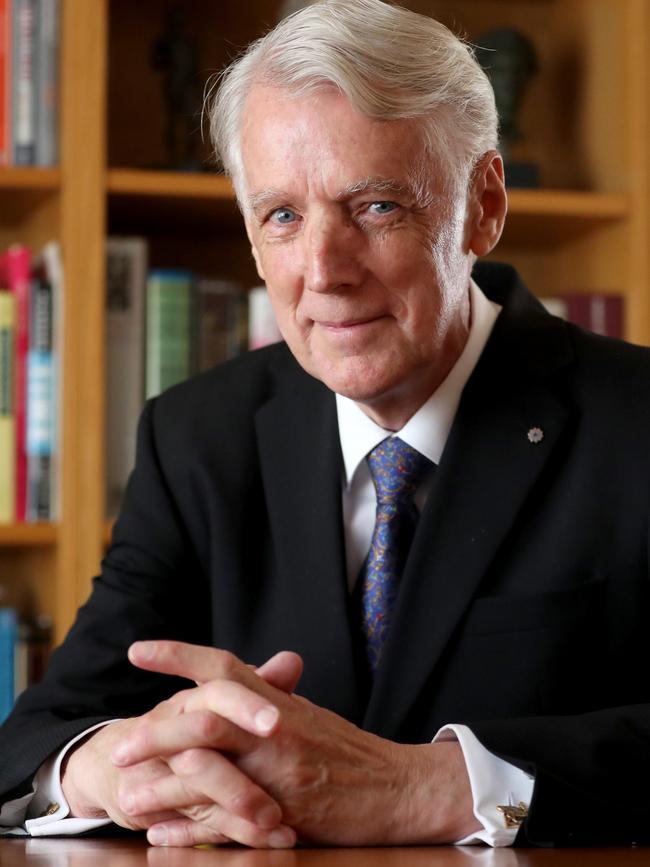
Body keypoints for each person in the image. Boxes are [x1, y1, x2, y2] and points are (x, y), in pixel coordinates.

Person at [2, 0, 650, 849]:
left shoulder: (634, 422)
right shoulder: (198, 437)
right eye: (283, 216)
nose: (324, 272)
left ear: (483, 206)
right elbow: (36, 737)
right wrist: (114, 765)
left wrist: (436, 787)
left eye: (377, 206)